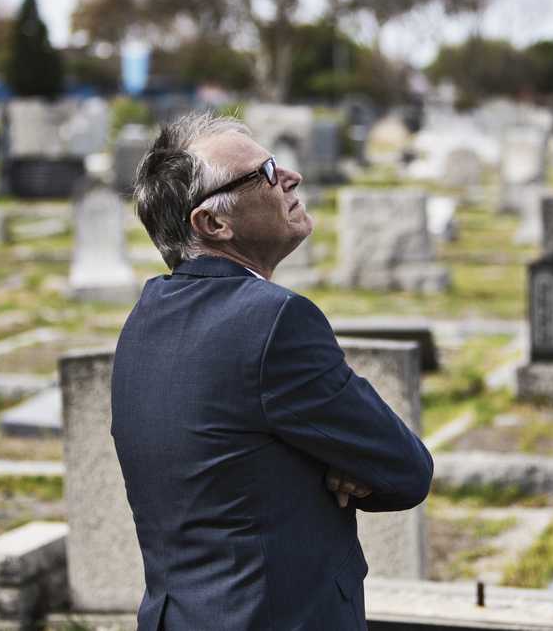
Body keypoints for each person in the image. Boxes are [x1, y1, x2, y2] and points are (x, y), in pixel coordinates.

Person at [111, 112, 433, 631]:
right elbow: (405, 470)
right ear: (213, 224)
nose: (290, 177)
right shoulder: (276, 320)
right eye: (264, 172)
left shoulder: (144, 317)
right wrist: (332, 464)